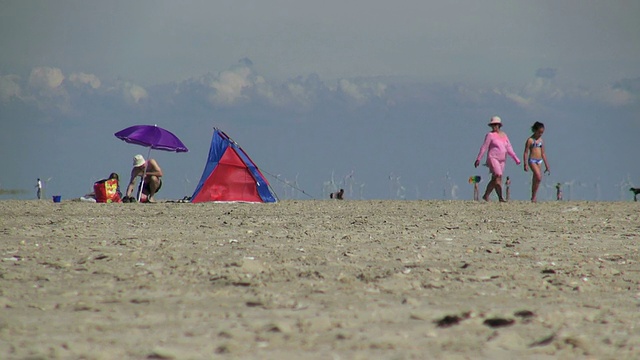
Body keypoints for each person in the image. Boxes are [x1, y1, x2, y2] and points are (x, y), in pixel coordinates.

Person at [474, 116, 521, 202]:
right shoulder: (490, 135)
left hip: (502, 159)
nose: (494, 126)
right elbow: (484, 147)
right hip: (493, 158)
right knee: (498, 174)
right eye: (492, 125)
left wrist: (516, 159)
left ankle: (488, 195)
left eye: (496, 125)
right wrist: (478, 159)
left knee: (497, 178)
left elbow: (509, 148)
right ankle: (499, 197)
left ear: (499, 125)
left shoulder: (504, 135)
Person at [523, 121, 550, 202]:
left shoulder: (541, 141)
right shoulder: (530, 140)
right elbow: (526, 152)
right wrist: (525, 164)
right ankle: (533, 196)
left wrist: (547, 165)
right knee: (538, 176)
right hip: (532, 160)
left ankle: (533, 196)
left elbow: (543, 153)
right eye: (539, 132)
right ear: (535, 130)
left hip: (539, 161)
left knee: (537, 179)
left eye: (542, 132)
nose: (540, 134)